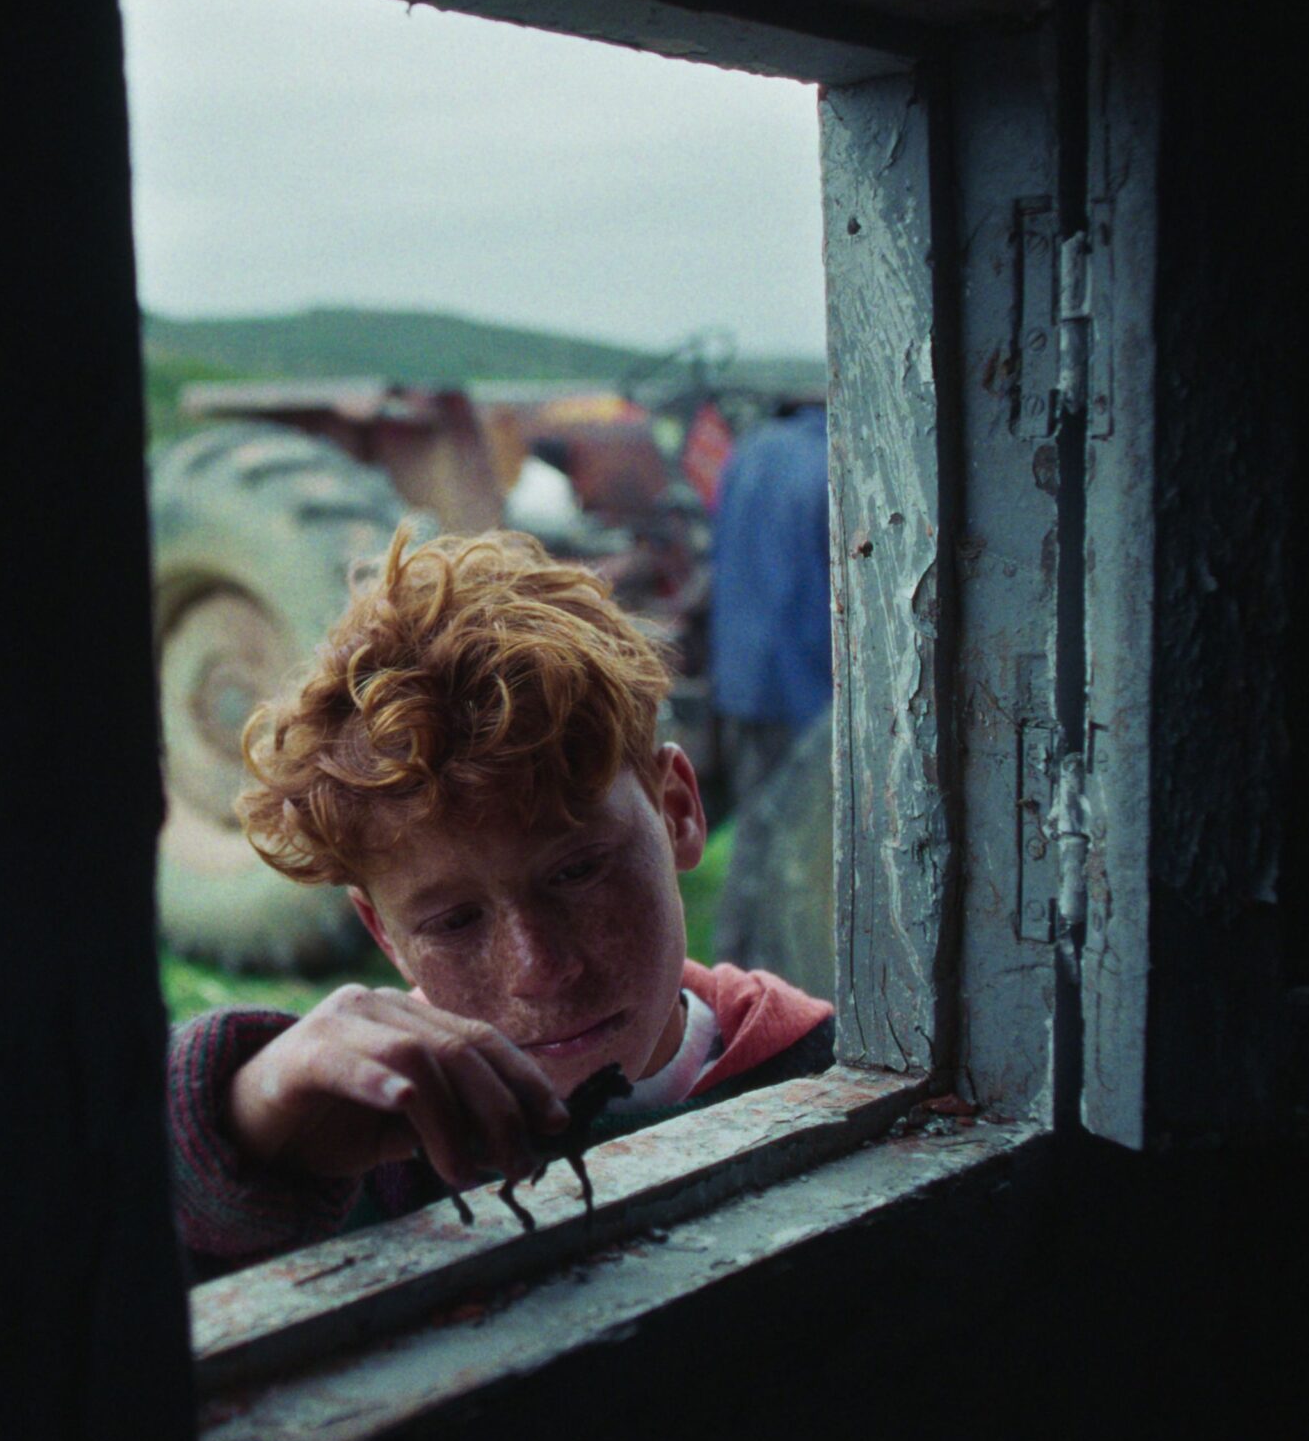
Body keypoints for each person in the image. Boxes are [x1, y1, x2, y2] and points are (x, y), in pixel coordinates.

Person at [168, 529, 833, 1281]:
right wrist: (238, 1124)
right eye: (454, 922)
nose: (538, 970)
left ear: (677, 811)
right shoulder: (358, 1148)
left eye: (579, 871)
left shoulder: (832, 1073)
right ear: (384, 934)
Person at [705, 397, 830, 813]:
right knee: (808, 827)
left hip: (740, 677)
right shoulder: (833, 460)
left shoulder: (749, 450)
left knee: (756, 821)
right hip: (805, 685)